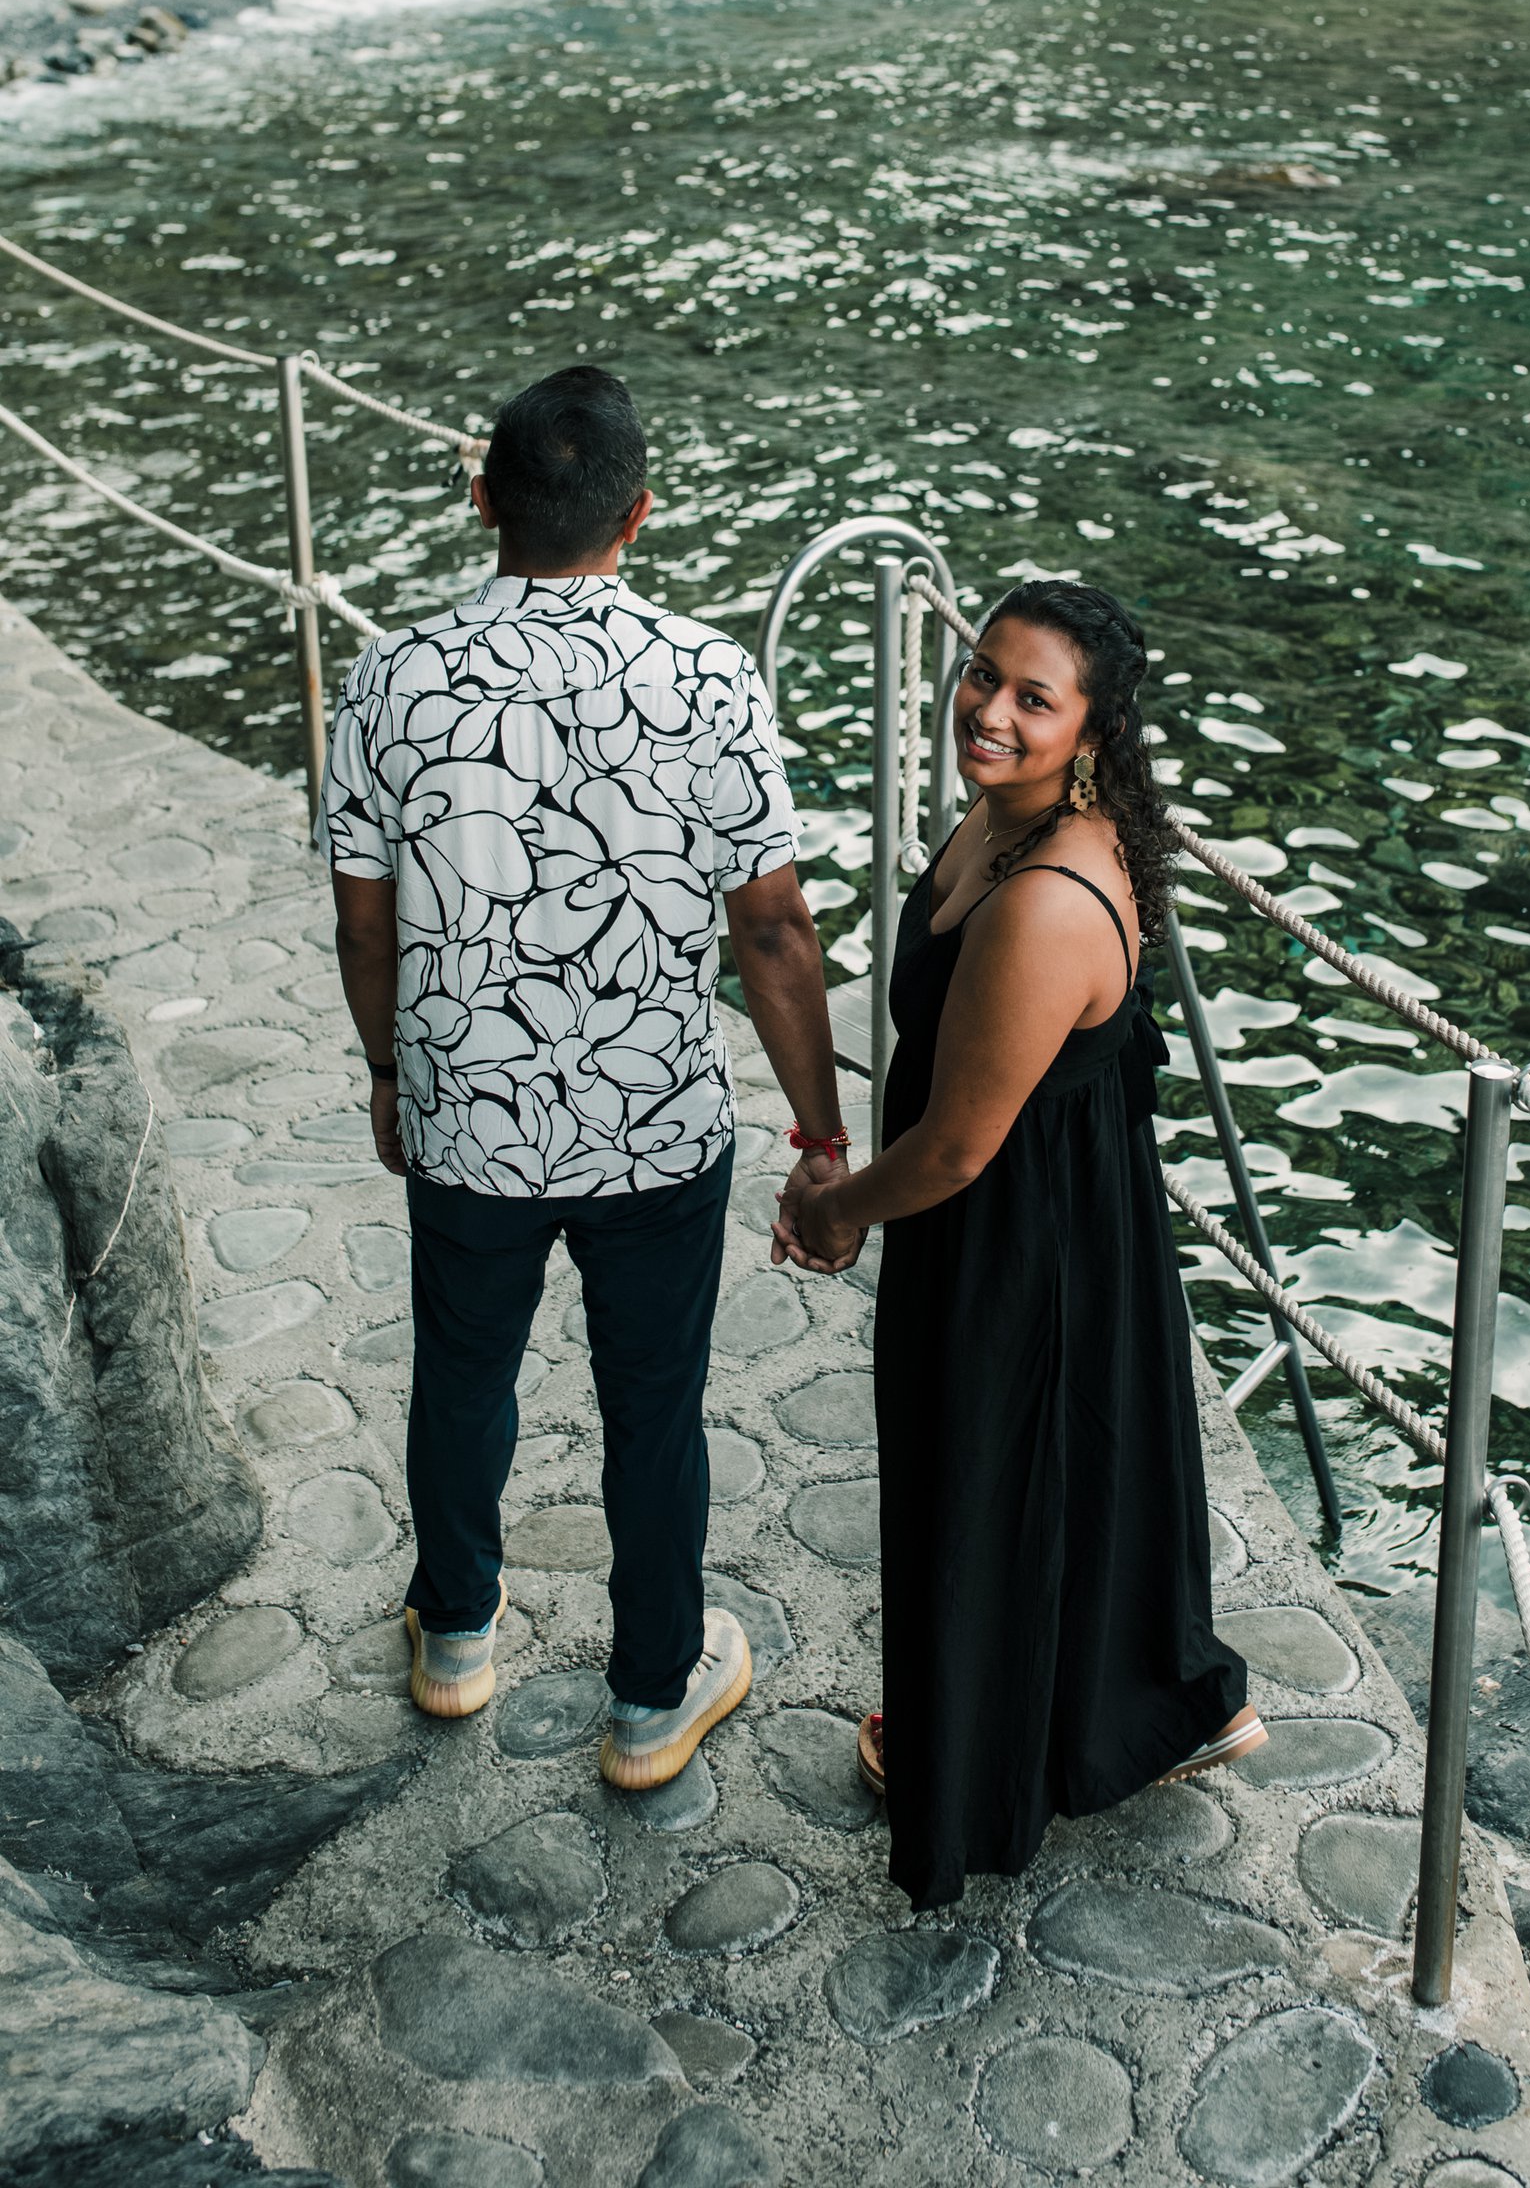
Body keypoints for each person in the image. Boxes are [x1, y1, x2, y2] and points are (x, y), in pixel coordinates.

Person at [322, 363, 847, 1791]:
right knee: (656, 1406)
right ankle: (648, 1701)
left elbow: (365, 920)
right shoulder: (711, 676)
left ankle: (458, 1637)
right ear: (641, 515)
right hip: (654, 1125)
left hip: (467, 1115)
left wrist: (390, 1069)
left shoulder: (388, 676)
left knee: (462, 1372)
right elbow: (774, 930)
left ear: (484, 497)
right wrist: (823, 1128)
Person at [774, 578, 1261, 1907]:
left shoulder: (1049, 893)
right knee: (1027, 1482)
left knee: (983, 1487)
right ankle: (1093, 1712)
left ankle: (973, 1761)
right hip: (1025, 1211)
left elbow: (957, 1146)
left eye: (1030, 698)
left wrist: (831, 1206)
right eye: (981, 675)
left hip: (1014, 1236)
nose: (986, 710)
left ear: (1091, 732)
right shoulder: (1008, 812)